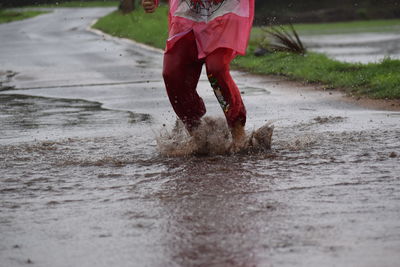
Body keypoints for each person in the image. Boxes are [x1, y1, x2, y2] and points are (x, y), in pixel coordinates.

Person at [142, 0, 255, 149]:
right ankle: (195, 130)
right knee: (172, 73)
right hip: (188, 14)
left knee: (216, 69)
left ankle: (237, 128)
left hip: (224, 12)